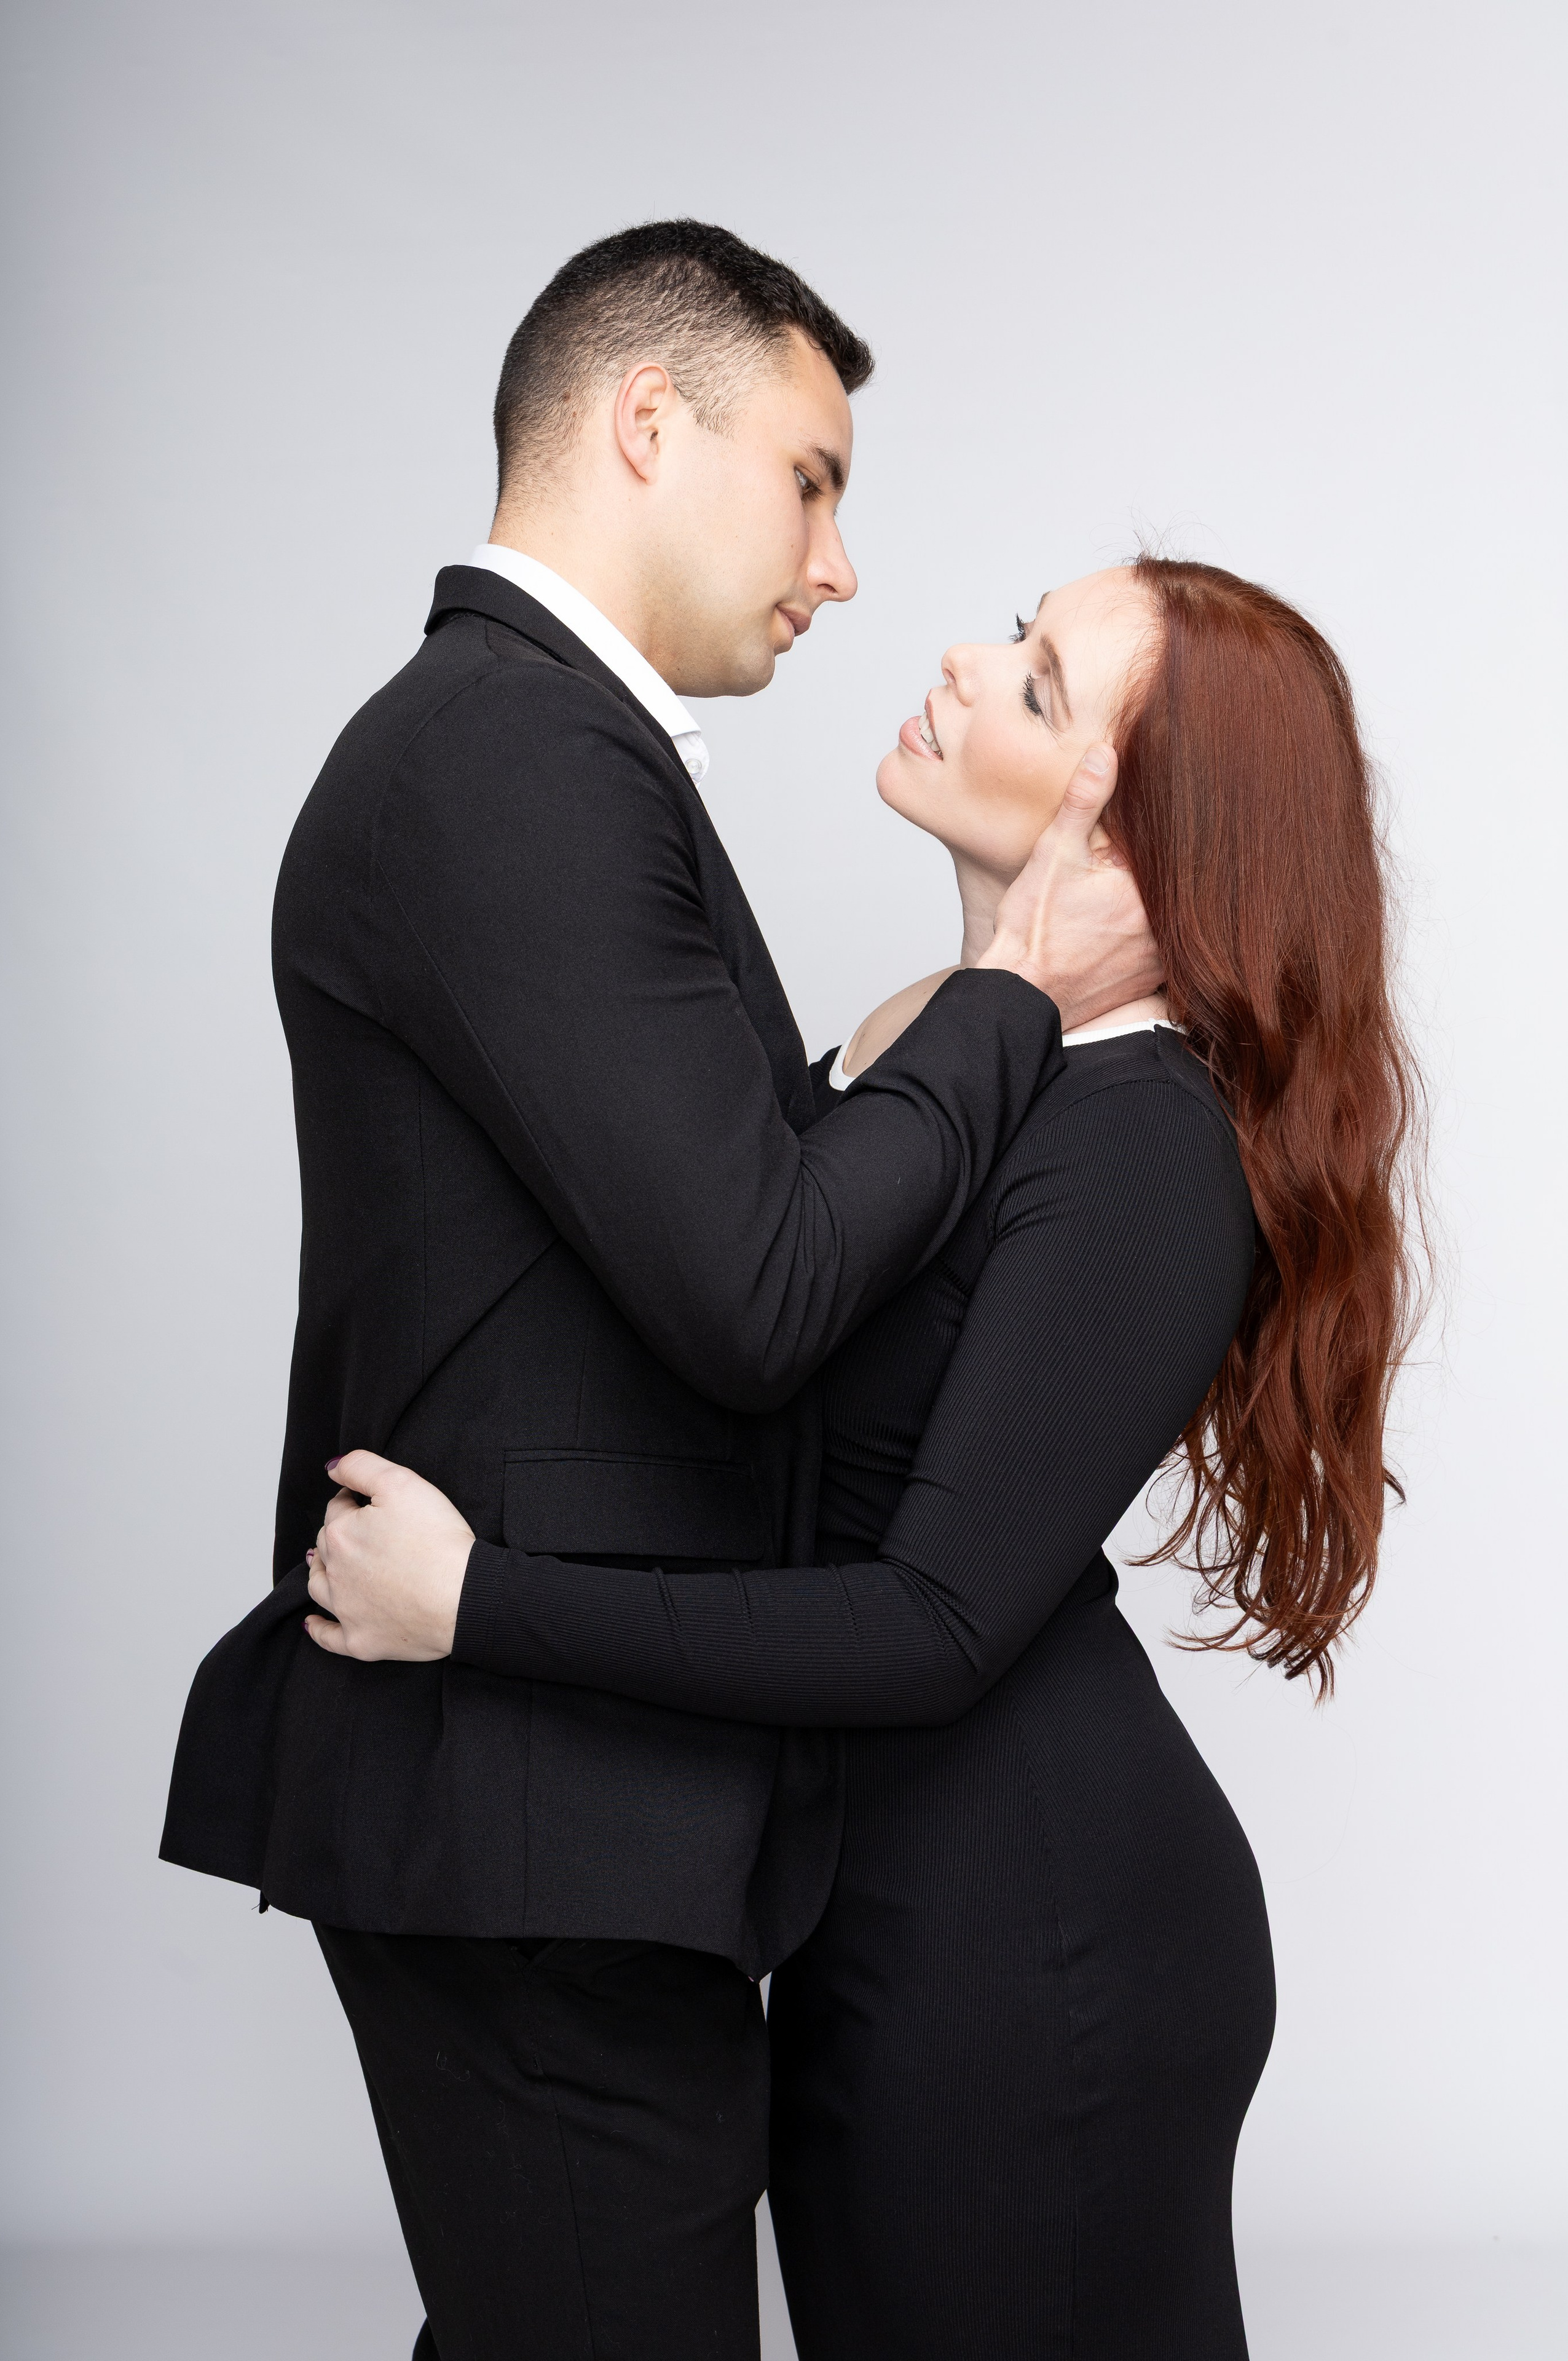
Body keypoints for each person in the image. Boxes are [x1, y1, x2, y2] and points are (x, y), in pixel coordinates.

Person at [159, 222, 1159, 2361]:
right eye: (813, 478)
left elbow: (680, 1219)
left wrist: (868, 1074)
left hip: (575, 1805)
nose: (843, 563)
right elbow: (756, 1292)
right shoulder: (512, 756)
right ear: (645, 424)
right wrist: (1005, 1001)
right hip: (535, 1808)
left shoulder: (523, 753)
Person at [308, 557, 1424, 2358]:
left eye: (1040, 689)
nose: (964, 670)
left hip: (1032, 1943)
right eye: (1012, 629)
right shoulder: (952, 1031)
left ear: (1138, 850)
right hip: (874, 1917)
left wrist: (480, 1606)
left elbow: (929, 1623)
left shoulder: (1144, 1138)